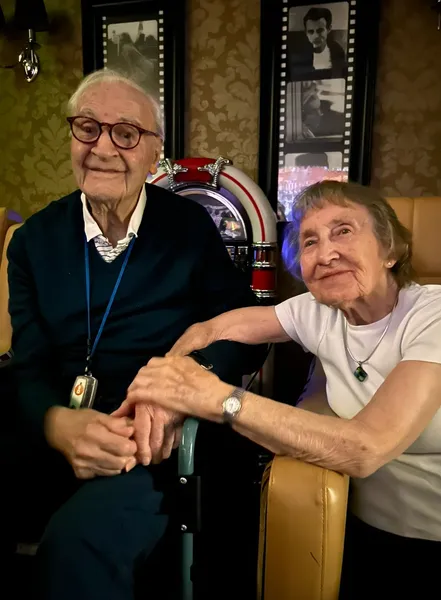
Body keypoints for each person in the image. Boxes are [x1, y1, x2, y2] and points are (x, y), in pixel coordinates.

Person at [5, 68, 266, 599]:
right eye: (87, 128)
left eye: (125, 133)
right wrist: (56, 424)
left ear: (154, 155)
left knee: (77, 546)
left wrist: (179, 390)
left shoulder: (190, 229)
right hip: (55, 434)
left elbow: (243, 333)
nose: (102, 147)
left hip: (151, 445)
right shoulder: (32, 241)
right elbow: (27, 365)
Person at [116, 180, 441, 598]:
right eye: (310, 242)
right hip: (358, 533)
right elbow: (210, 329)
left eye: (344, 231)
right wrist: (162, 393)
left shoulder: (432, 315)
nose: (326, 254)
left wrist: (217, 398)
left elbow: (366, 448)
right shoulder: (317, 311)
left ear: (390, 250)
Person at [289, 7, 347, 79]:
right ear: (306, 33)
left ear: (329, 29)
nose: (316, 36)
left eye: (320, 30)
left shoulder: (338, 51)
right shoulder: (299, 55)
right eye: (311, 32)